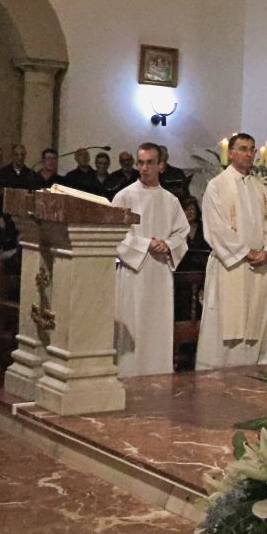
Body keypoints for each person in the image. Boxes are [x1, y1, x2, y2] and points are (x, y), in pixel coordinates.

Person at [197, 132, 267, 370]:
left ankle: (250, 373)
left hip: (257, 268)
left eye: (252, 149)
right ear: (230, 153)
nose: (248, 153)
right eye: (242, 148)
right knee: (226, 323)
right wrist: (247, 252)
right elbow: (216, 228)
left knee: (254, 322)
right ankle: (216, 375)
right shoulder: (217, 186)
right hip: (230, 266)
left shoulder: (260, 188)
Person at [112, 143, 189, 377]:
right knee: (132, 324)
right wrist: (145, 244)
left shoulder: (170, 200)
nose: (143, 168)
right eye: (140, 163)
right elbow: (113, 234)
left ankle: (158, 376)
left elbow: (182, 233)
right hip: (133, 272)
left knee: (157, 327)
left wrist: (167, 245)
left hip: (159, 272)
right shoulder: (124, 196)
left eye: (149, 163)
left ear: (161, 166)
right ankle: (127, 374)